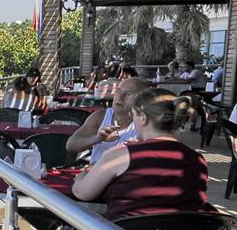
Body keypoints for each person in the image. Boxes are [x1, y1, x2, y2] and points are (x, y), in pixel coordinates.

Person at [72, 88, 209, 220]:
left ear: (143, 117)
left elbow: (82, 193)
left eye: (134, 115)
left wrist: (80, 179)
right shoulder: (197, 159)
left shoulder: (122, 155)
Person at [65, 77, 150, 164]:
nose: (119, 97)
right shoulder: (100, 116)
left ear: (143, 99)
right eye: (118, 91)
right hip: (97, 170)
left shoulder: (147, 122)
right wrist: (97, 138)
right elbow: (71, 145)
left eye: (128, 94)